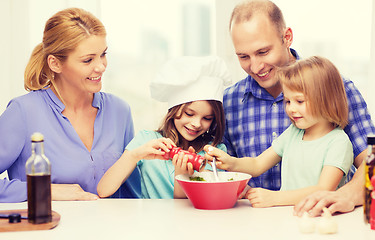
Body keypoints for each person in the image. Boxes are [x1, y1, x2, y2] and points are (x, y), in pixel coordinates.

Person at [224, 0, 374, 196]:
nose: (255, 67)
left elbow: (371, 163)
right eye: (243, 57)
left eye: (263, 52)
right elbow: (227, 171)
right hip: (253, 217)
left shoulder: (336, 89)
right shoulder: (229, 101)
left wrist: (348, 196)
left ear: (287, 37)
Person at [0, 8, 141, 202]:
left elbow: (133, 194)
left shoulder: (119, 111)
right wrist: (46, 191)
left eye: (103, 54)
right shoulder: (23, 112)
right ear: (55, 64)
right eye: (88, 60)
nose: (101, 66)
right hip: (45, 230)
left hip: (111, 230)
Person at [205, 56, 353, 207]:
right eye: (288, 101)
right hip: (288, 217)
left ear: (327, 100)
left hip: (319, 220)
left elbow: (323, 190)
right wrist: (231, 163)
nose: (291, 109)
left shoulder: (339, 143)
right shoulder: (294, 133)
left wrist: (274, 198)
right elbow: (257, 164)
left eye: (299, 101)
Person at [97, 56, 230, 199]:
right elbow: (104, 190)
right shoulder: (146, 140)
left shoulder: (214, 152)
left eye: (207, 118)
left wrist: (182, 175)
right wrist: (135, 155)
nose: (197, 123)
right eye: (189, 113)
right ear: (174, 109)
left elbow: (191, 209)